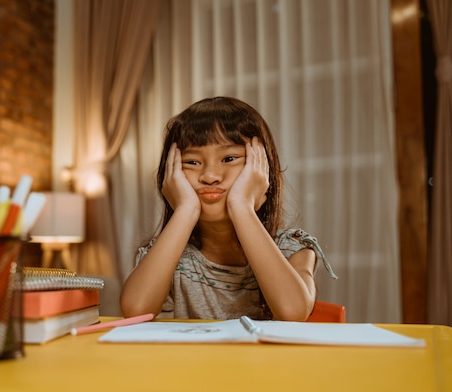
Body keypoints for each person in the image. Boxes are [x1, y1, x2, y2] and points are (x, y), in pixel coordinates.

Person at [120, 96, 336, 321]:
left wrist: (242, 208)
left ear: (262, 169)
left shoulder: (292, 248)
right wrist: (185, 210)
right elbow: (135, 310)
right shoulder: (168, 252)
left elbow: (293, 311)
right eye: (192, 162)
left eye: (229, 158)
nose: (210, 176)